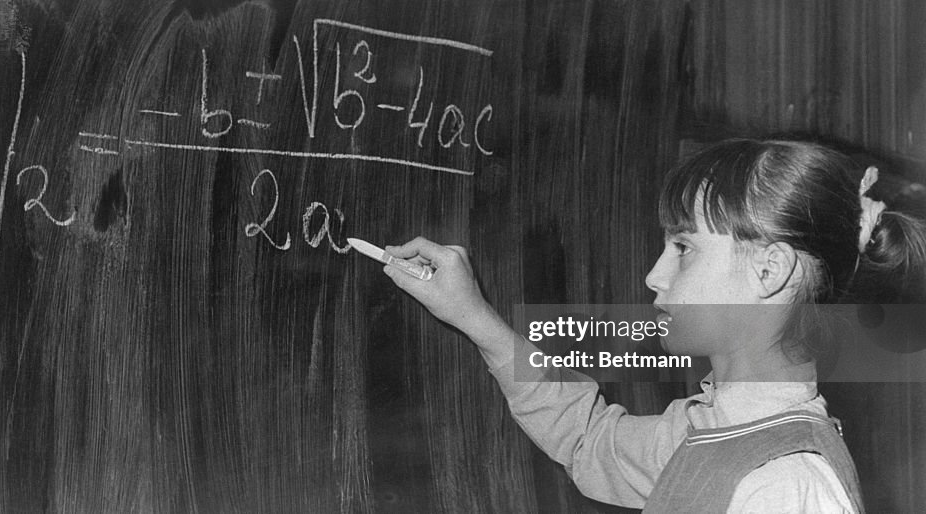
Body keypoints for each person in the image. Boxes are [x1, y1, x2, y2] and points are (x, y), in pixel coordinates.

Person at [381, 138, 926, 512]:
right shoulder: (707, 430)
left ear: (769, 270)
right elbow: (591, 441)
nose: (653, 275)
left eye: (683, 247)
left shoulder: (786, 484)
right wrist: (475, 317)